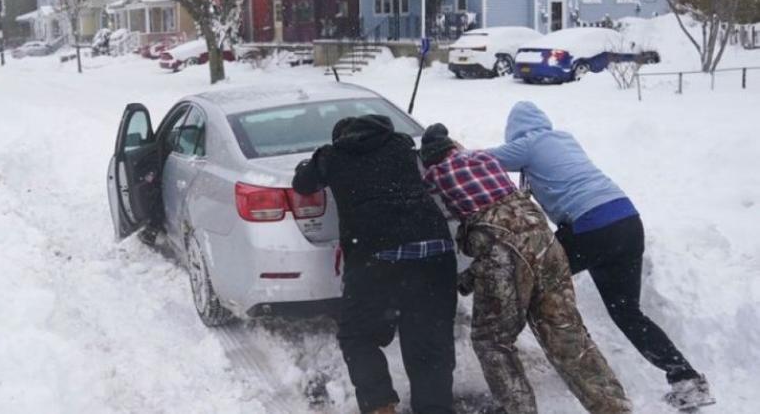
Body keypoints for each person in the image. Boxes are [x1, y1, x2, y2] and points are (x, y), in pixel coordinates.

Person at [488, 101, 714, 411]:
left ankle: (571, 357)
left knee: (532, 275)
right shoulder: (564, 138)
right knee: (627, 312)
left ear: (515, 131)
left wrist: (449, 150)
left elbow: (484, 160)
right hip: (626, 221)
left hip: (590, 225)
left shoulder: (530, 144)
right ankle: (685, 377)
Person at [420, 123, 631, 414]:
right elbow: (513, 236)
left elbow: (501, 248)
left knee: (492, 341)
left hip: (503, 253)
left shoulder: (434, 174)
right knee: (566, 333)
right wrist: (471, 277)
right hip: (546, 244)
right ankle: (614, 408)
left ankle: (516, 408)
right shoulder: (484, 159)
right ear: (454, 146)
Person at [292, 115, 458, 414]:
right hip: (435, 251)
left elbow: (302, 184)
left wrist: (311, 164)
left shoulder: (331, 156)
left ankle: (381, 405)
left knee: (357, 335)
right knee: (429, 346)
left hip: (378, 255)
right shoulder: (401, 145)